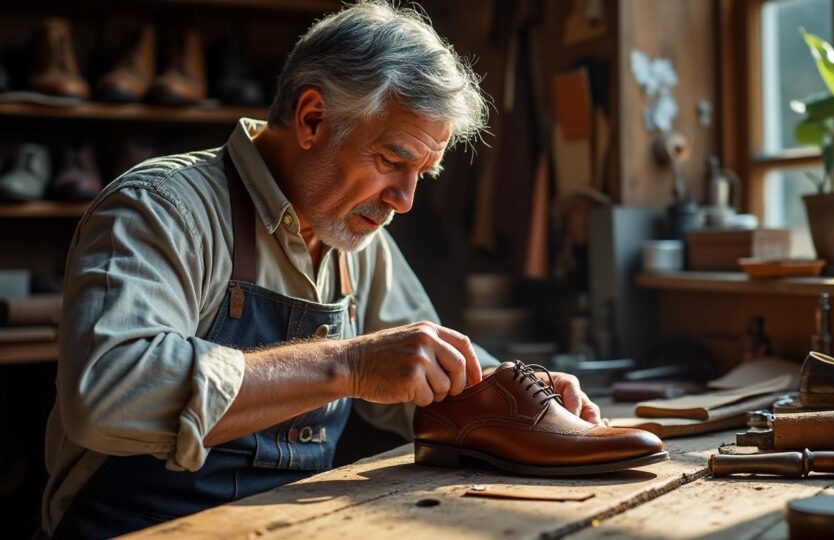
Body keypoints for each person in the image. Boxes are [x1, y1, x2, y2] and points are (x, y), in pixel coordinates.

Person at [40, 2, 602, 538]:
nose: (404, 200)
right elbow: (109, 390)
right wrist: (349, 363)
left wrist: (511, 394)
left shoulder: (356, 234)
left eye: (422, 173)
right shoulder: (162, 208)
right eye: (392, 160)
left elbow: (430, 374)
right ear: (312, 119)